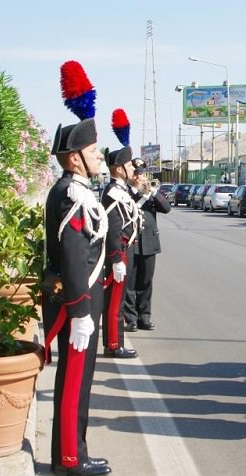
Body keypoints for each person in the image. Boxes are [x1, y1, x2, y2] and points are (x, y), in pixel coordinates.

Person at [42, 117, 112, 476]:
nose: (99, 157)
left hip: (81, 298)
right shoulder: (71, 194)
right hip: (76, 302)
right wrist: (81, 311)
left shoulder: (78, 190)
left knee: (80, 379)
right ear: (74, 159)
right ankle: (70, 457)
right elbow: (72, 257)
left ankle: (74, 450)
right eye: (93, 151)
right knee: (74, 380)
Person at [101, 142, 140, 359]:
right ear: (118, 169)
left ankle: (114, 342)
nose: (133, 169)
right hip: (120, 252)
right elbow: (114, 228)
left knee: (120, 297)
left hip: (126, 250)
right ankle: (114, 344)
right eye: (129, 165)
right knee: (115, 301)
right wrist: (116, 258)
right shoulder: (113, 193)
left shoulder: (121, 191)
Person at [124, 158, 171, 332]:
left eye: (141, 173)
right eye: (136, 172)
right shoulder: (124, 192)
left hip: (149, 242)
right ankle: (131, 318)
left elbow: (166, 208)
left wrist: (152, 192)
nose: (139, 176)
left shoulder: (149, 192)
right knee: (130, 282)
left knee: (146, 282)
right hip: (131, 242)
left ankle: (144, 316)